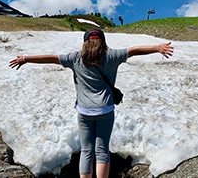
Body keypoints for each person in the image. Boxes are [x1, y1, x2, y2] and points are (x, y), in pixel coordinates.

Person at [9, 28, 174, 178]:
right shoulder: (111, 56)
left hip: (84, 112)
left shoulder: (75, 58)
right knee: (102, 151)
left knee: (87, 151)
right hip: (105, 111)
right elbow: (133, 50)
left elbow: (52, 58)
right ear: (103, 41)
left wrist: (25, 58)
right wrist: (158, 47)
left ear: (85, 42)